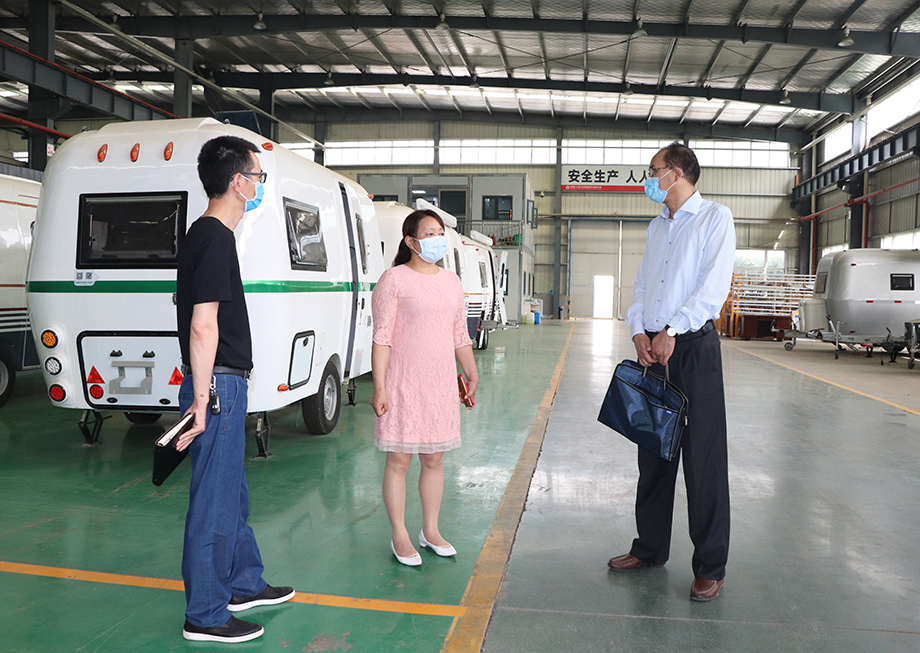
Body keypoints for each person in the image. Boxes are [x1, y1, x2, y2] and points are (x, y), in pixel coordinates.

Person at [175, 135, 294, 642]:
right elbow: (203, 325)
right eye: (258, 177)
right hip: (218, 385)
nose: (261, 185)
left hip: (224, 383)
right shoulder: (213, 238)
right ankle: (205, 614)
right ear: (237, 181)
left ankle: (243, 583)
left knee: (232, 492)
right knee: (215, 501)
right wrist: (203, 400)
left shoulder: (208, 235)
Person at [608, 142, 735, 602]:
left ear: (676, 173)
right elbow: (644, 284)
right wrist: (639, 331)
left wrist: (673, 330)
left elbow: (712, 287)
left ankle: (710, 566)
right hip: (654, 350)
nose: (648, 177)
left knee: (703, 460)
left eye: (653, 169)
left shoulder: (714, 218)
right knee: (654, 452)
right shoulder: (656, 225)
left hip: (692, 349)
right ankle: (649, 548)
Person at [370, 209, 479, 566]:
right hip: (403, 382)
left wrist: (471, 372)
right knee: (399, 459)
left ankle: (430, 530)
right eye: (430, 233)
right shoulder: (394, 279)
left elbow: (459, 334)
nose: (438, 238)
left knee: (434, 459)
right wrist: (380, 386)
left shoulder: (451, 281)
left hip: (439, 383)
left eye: (440, 232)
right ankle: (399, 534)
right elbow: (382, 337)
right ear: (411, 241)